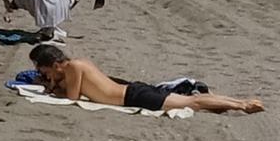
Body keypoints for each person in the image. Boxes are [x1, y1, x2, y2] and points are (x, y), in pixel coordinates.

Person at [30, 43, 265, 114]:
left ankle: (241, 104)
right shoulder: (79, 63)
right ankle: (239, 102)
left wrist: (51, 86)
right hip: (131, 91)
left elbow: (72, 97)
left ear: (55, 65)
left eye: (44, 72)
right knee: (196, 101)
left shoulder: (72, 68)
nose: (44, 76)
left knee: (193, 102)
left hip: (132, 96)